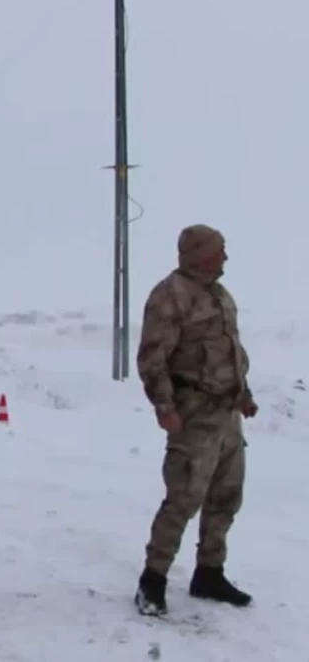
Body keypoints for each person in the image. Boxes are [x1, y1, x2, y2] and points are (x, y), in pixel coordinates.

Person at [132, 224, 256, 617]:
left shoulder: (220, 296)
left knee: (226, 496)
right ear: (199, 253)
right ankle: (152, 581)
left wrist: (243, 394)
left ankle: (209, 573)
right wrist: (165, 408)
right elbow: (152, 359)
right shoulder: (171, 296)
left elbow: (231, 351)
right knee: (183, 498)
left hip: (226, 414)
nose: (225, 258)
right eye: (219, 250)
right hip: (194, 415)